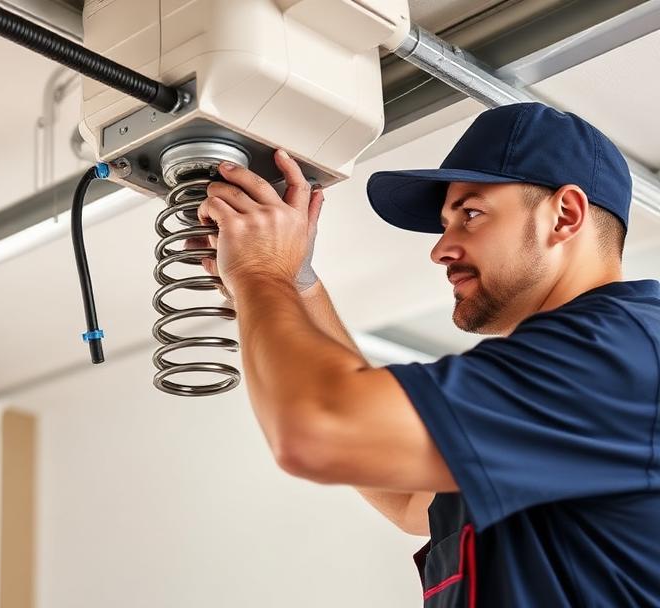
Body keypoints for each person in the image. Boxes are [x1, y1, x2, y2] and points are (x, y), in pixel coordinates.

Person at [189, 102, 660, 607]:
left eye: (471, 214)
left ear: (565, 215)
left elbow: (321, 431)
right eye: (445, 223)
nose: (440, 249)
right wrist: (298, 286)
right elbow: (411, 501)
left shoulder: (618, 352)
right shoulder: (571, 391)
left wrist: (261, 273)